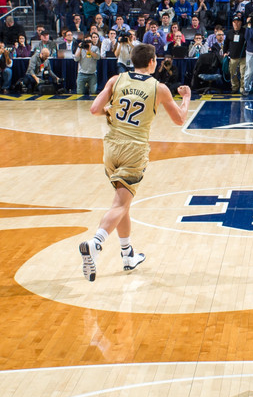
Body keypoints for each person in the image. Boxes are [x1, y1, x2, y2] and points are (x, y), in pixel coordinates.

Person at [78, 44, 191, 281]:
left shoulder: (116, 80)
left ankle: (128, 254)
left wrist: (110, 111)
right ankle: (96, 243)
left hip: (111, 147)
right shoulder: (158, 88)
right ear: (152, 62)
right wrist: (187, 98)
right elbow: (180, 120)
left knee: (122, 200)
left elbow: (95, 109)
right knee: (120, 204)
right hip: (134, 150)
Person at [227, 14, 247, 94]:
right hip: (233, 57)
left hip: (243, 57)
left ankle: (242, 89)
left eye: (238, 22)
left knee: (243, 74)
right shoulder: (229, 33)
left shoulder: (244, 32)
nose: (236, 23)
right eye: (234, 22)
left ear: (241, 23)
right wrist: (225, 52)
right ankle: (235, 87)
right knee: (232, 73)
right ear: (232, 23)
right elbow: (226, 43)